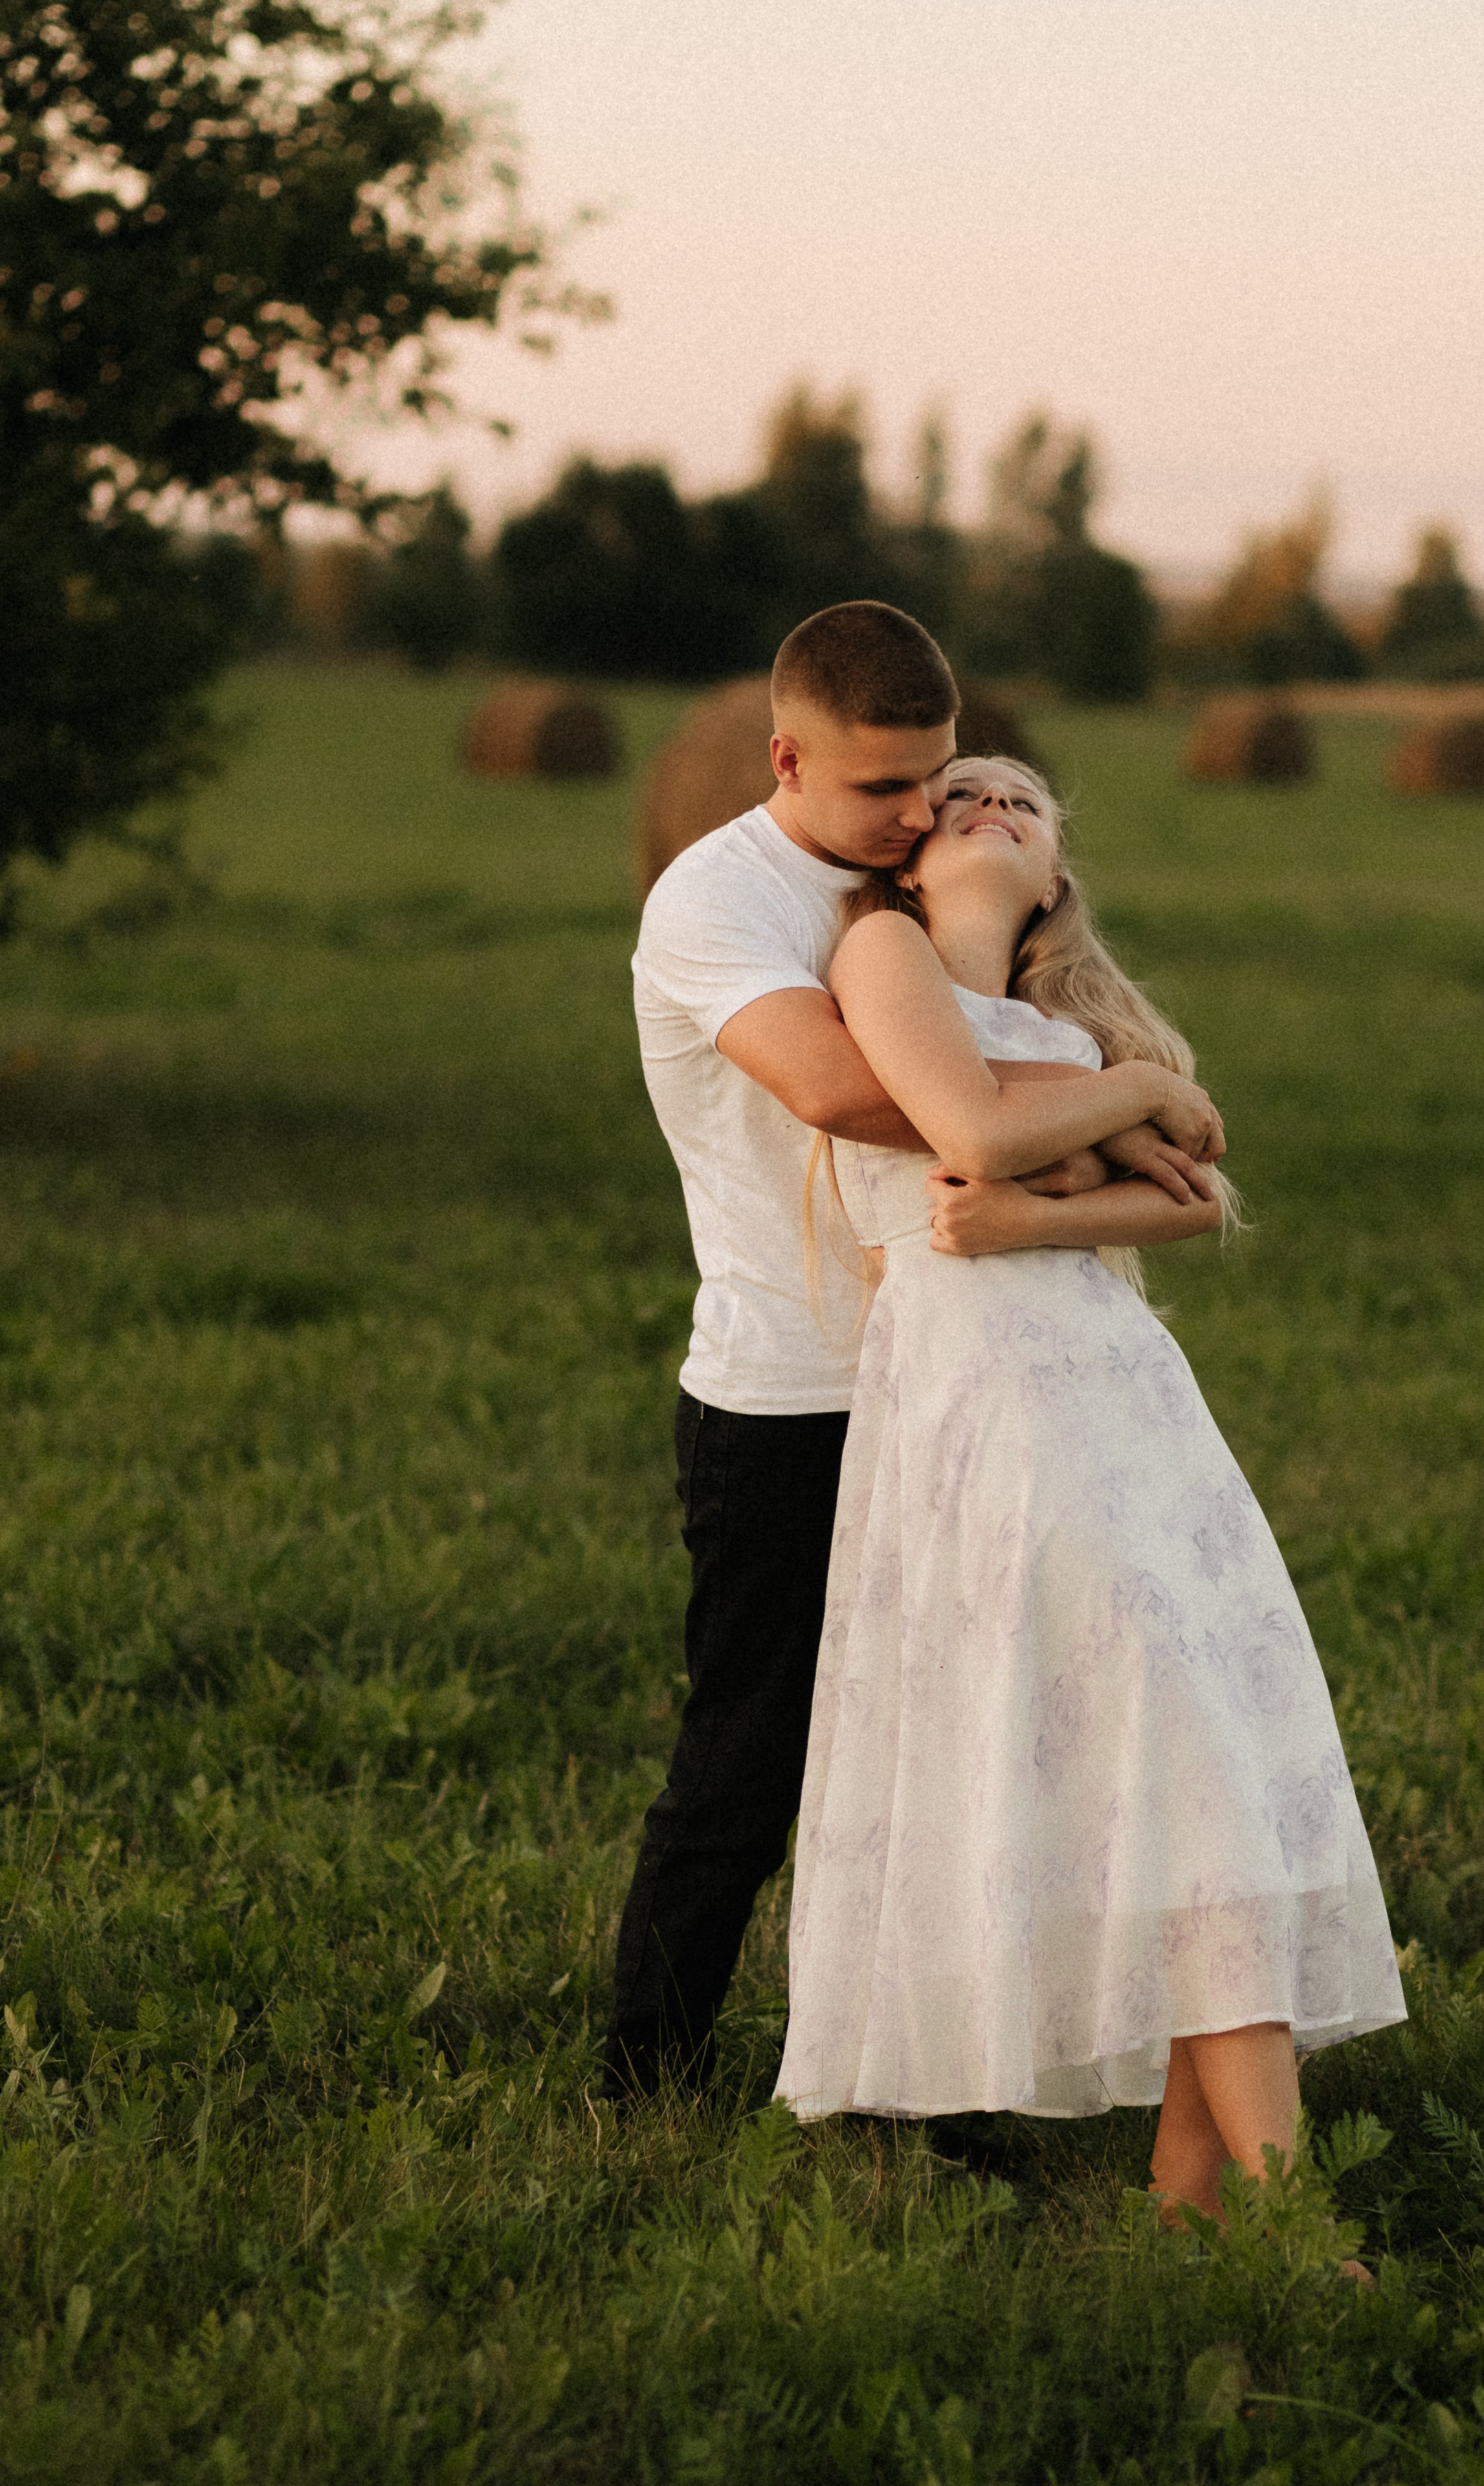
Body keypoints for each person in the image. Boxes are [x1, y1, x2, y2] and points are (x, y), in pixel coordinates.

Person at [772, 754, 1406, 2223]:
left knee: (1202, 1762)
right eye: (963, 793)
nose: (991, 806)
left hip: (1124, 1403)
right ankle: (1275, 2225)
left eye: (1028, 802)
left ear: (1051, 877)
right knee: (1181, 1757)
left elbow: (1189, 1198)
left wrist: (1023, 1209)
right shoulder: (881, 957)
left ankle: (1201, 2195)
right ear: (912, 858)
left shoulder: (1053, 1025)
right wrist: (1127, 1096)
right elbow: (978, 1136)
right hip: (986, 1411)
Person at [605, 605, 1224, 2100]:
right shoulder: (718, 902)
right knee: (746, 1772)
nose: (920, 811)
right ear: (783, 758)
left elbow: (992, 1104)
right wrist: (1126, 1103)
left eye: (937, 777)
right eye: (882, 787)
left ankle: (946, 2091)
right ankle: (644, 2084)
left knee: (962, 1763)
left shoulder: (937, 891)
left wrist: (1063, 1126)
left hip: (970, 1386)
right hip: (794, 1393)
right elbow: (848, 1087)